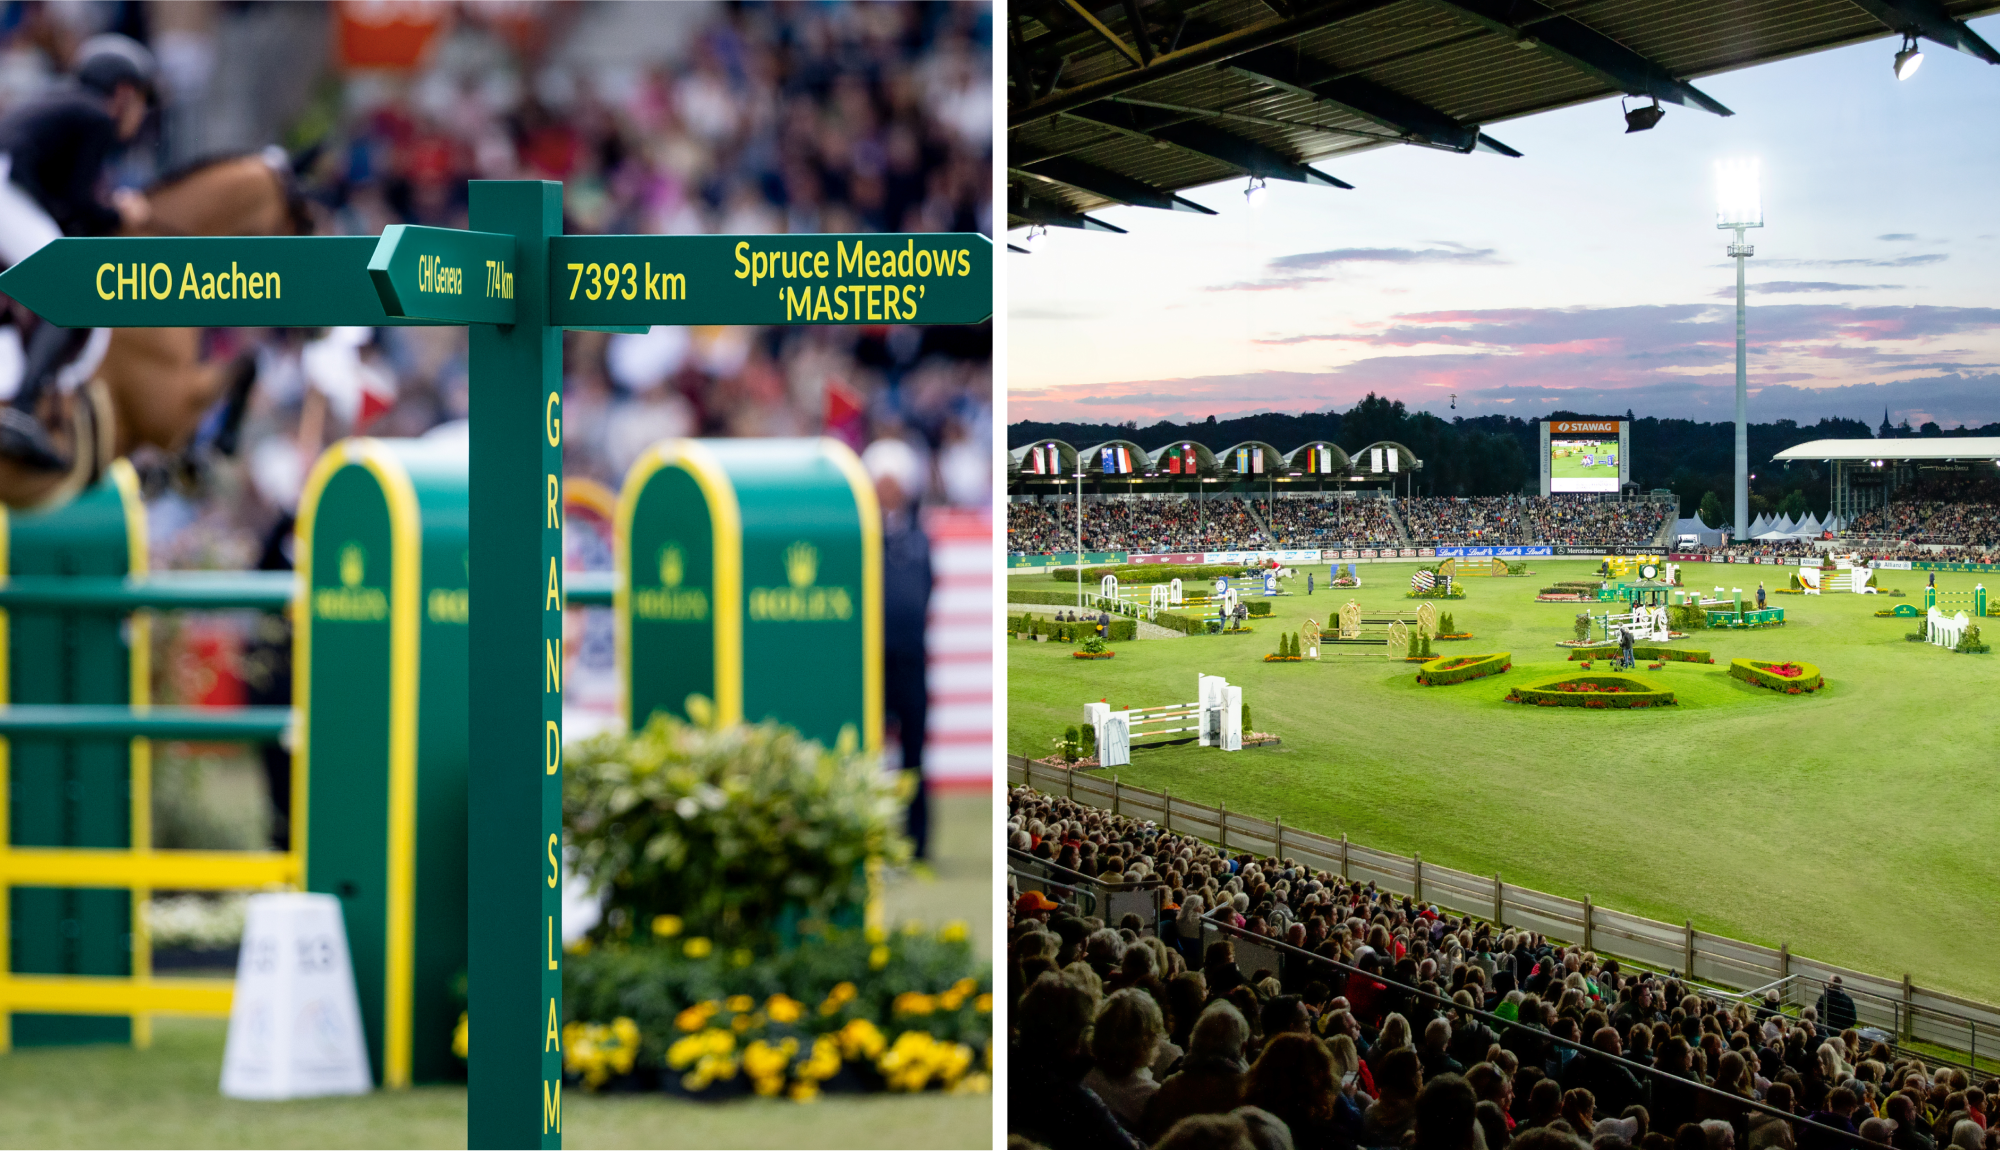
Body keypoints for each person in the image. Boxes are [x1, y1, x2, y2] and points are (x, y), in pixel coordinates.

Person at [0, 34, 156, 470]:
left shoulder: (65, 105)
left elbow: (59, 204)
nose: (141, 114)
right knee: (68, 289)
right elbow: (77, 205)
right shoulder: (96, 117)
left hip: (11, 190)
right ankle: (22, 412)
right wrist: (119, 213)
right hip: (6, 195)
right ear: (122, 93)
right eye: (141, 100)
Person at [864, 438, 934, 860]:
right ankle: (870, 837)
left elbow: (925, 592)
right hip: (870, 663)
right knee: (868, 753)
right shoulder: (862, 538)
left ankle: (916, 842)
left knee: (914, 754)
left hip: (910, 660)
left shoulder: (919, 539)